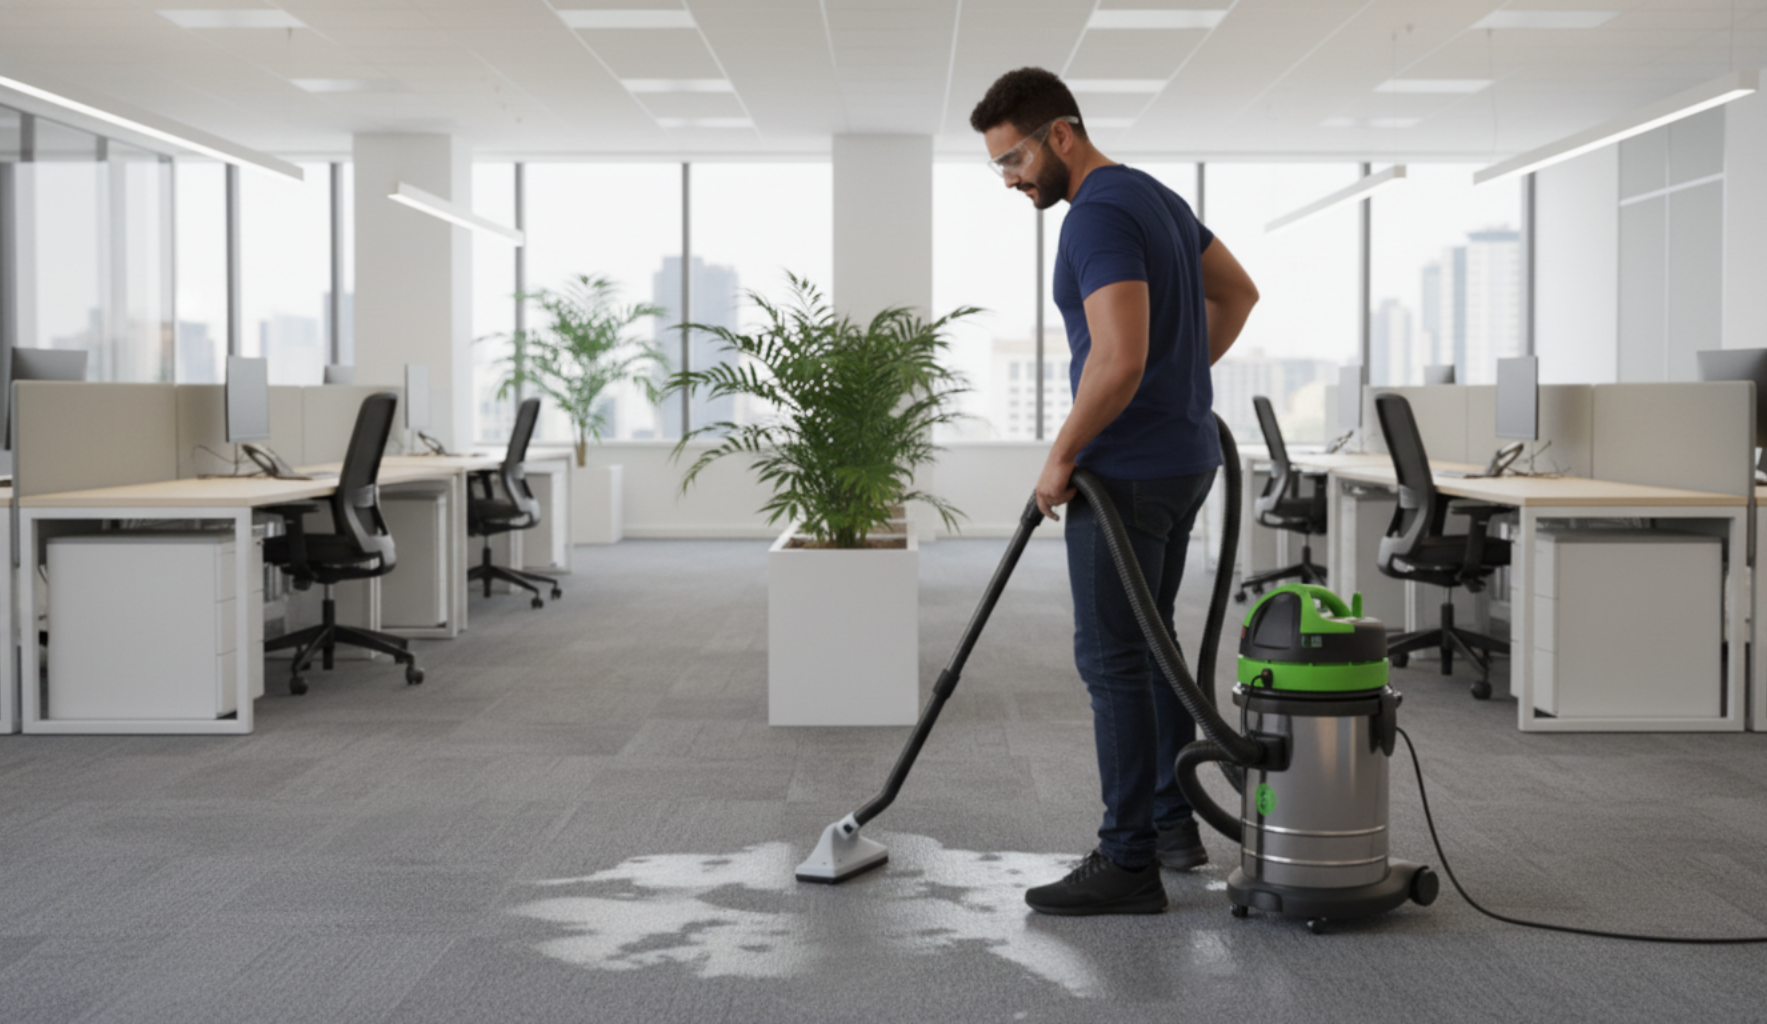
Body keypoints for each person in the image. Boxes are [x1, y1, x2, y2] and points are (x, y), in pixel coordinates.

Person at [969, 67, 1260, 916]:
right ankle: (1171, 825)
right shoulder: (1156, 198)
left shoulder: (1094, 214)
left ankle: (1126, 859)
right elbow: (1237, 294)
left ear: (1060, 134)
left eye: (1014, 159)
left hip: (1124, 471)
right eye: (997, 166)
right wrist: (1175, 380)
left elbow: (1118, 357)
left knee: (1112, 662)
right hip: (1183, 461)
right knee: (1151, 645)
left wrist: (1059, 456)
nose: (1009, 180)